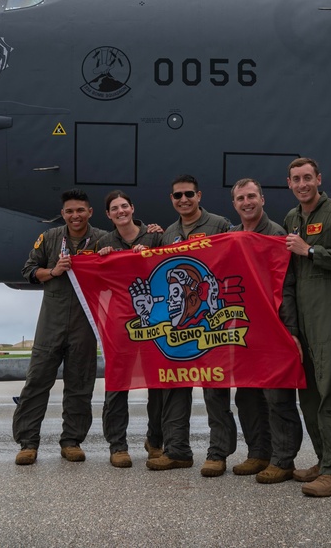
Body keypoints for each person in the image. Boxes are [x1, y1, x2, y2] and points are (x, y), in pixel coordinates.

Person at [283, 157, 331, 497]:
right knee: (309, 393)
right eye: (296, 179)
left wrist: (311, 250)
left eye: (307, 178)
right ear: (289, 183)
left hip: (328, 313)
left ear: (319, 178)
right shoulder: (291, 217)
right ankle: (323, 459)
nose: (302, 184)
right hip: (301, 315)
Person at [217, 178, 305, 484]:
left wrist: (290, 330)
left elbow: (286, 287)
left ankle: (283, 459)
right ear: (234, 204)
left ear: (262, 199)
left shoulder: (276, 235)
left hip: (272, 327)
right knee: (248, 395)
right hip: (243, 329)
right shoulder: (230, 236)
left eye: (251, 196)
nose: (247, 202)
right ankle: (258, 453)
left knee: (277, 397)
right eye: (241, 198)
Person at [14, 189, 106, 465]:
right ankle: (28, 443)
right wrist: (53, 271)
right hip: (51, 321)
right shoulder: (51, 238)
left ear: (90, 212)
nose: (75, 216)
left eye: (80, 210)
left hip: (84, 322)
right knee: (37, 382)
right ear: (63, 214)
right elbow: (29, 270)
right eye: (69, 211)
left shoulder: (102, 238)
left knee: (80, 384)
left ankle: (71, 441)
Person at [147, 174, 231, 473]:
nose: (183, 200)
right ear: (172, 199)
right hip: (178, 329)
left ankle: (218, 453)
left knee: (214, 390)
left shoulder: (219, 224)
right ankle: (177, 450)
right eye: (177, 195)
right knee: (174, 389)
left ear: (199, 195)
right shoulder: (168, 233)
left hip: (210, 325)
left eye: (188, 194)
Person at [96, 190, 164, 468]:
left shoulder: (154, 236)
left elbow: (168, 262)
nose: (121, 211)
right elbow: (96, 281)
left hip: (152, 321)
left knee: (158, 383)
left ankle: (156, 441)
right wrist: (101, 259)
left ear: (132, 208)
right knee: (117, 383)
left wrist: (151, 254)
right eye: (115, 208)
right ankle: (118, 445)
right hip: (119, 322)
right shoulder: (104, 242)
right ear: (109, 215)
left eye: (124, 206)